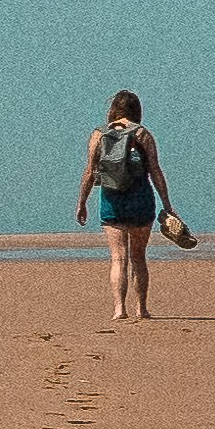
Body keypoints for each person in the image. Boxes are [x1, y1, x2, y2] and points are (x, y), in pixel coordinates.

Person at [75, 91, 176, 323]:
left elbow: (89, 172)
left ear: (113, 109)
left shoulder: (99, 135)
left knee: (118, 258)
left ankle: (119, 309)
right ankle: (141, 308)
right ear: (136, 110)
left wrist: (82, 203)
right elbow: (156, 171)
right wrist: (167, 204)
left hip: (112, 200)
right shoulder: (142, 134)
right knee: (138, 257)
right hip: (140, 199)